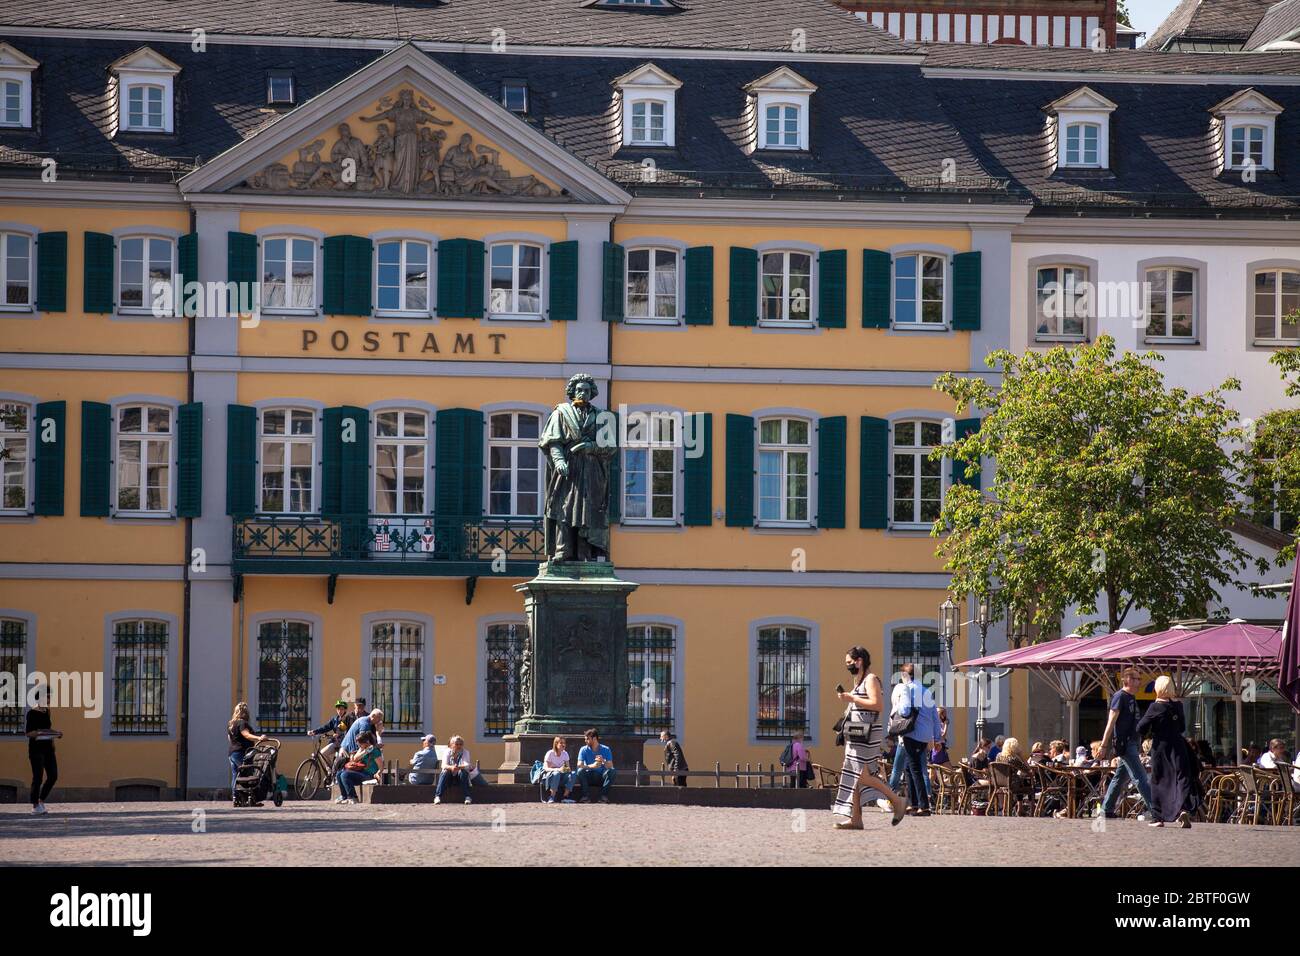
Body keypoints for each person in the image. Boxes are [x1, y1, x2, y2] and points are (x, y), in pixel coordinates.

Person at [833, 646, 904, 829]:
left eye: (849, 662)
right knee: (853, 774)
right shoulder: (859, 680)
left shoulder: (871, 679)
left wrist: (852, 699)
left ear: (859, 661)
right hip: (857, 734)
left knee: (861, 775)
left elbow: (877, 704)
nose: (848, 666)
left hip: (867, 735)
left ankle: (897, 801)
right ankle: (856, 818)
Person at [1136, 676, 1200, 828]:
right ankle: (1183, 808)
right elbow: (1183, 727)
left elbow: (1141, 728)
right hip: (1179, 745)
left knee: (1159, 779)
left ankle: (1158, 817)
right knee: (1181, 777)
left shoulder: (1155, 707)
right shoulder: (1178, 706)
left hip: (1161, 747)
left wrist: (1151, 728)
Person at [1097, 670, 1154, 820]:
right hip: (1125, 743)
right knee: (1140, 777)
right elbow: (1111, 721)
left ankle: (1106, 809)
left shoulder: (1132, 698)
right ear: (1127, 680)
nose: (1139, 682)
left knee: (1120, 777)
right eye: (1136, 679)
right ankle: (1157, 811)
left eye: (1140, 679)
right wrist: (1103, 745)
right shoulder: (1120, 696)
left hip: (1133, 742)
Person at [25, 690, 60, 815]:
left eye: (50, 698)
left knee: (53, 775)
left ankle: (41, 800)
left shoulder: (47, 712)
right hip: (36, 750)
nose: (49, 701)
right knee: (38, 777)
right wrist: (40, 733)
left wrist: (55, 734)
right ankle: (35, 806)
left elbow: (47, 729)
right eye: (47, 698)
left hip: (49, 749)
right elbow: (29, 733)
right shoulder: (31, 713)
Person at [334, 708, 385, 786]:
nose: (379, 721)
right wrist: (369, 748)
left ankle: (348, 795)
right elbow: (363, 741)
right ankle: (344, 793)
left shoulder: (363, 720)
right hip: (349, 750)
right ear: (374, 716)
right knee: (342, 773)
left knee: (344, 773)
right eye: (379, 719)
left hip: (347, 748)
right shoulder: (365, 725)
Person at [227, 701, 266, 803]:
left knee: (236, 775)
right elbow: (246, 735)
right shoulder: (242, 723)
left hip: (232, 753)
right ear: (245, 712)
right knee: (247, 774)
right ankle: (249, 797)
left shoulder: (231, 724)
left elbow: (230, 739)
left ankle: (235, 797)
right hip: (241, 752)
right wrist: (259, 738)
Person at [336, 731, 382, 804]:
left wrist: (378, 773)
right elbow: (354, 759)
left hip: (369, 775)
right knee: (339, 774)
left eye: (360, 743)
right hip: (361, 772)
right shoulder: (362, 748)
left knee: (345, 775)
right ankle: (344, 796)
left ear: (366, 742)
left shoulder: (375, 751)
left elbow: (381, 766)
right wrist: (365, 751)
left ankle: (353, 797)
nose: (358, 745)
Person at [575, 728, 616, 803]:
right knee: (580, 771)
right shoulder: (583, 749)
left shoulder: (606, 749)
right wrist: (592, 766)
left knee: (612, 771)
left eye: (587, 739)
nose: (585, 741)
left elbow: (611, 766)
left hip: (601, 777)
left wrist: (603, 761)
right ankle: (585, 797)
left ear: (594, 738)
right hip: (588, 777)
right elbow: (579, 765)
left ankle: (603, 797)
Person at [435, 735, 473, 804]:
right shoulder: (447, 752)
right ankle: (438, 796)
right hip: (449, 777)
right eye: (456, 744)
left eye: (461, 744)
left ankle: (467, 797)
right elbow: (443, 765)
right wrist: (452, 767)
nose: (459, 746)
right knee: (445, 771)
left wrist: (458, 767)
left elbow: (467, 765)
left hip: (460, 777)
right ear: (451, 745)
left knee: (463, 772)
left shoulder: (465, 752)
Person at [542, 735, 572, 803]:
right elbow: (545, 768)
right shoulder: (550, 753)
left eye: (564, 743)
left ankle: (565, 797)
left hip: (562, 776)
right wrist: (558, 769)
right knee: (556, 773)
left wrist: (566, 769)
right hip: (550, 776)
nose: (563, 745)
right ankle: (552, 796)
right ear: (556, 744)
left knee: (572, 774)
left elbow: (568, 768)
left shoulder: (565, 754)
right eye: (561, 743)